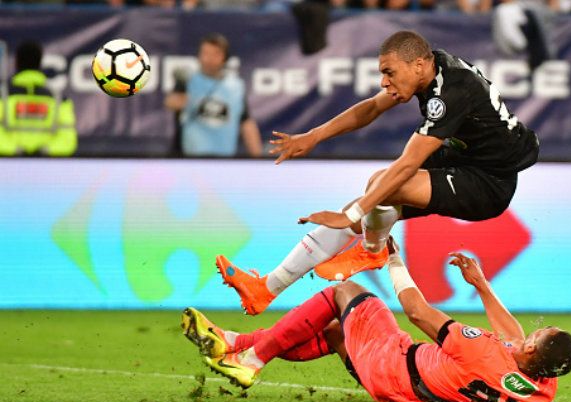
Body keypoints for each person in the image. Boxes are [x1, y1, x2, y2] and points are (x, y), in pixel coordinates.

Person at [217, 30, 540, 316]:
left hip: (488, 183)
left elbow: (408, 164)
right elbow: (371, 107)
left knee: (378, 192)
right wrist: (314, 136)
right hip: (464, 158)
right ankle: (266, 290)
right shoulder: (430, 68)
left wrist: (352, 214)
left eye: (389, 72)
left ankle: (372, 251)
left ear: (417, 65)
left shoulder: (451, 91)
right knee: (370, 203)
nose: (384, 81)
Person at [183, 242, 571, 402]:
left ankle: (252, 358)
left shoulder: (479, 349)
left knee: (345, 293)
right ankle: (232, 341)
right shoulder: (545, 385)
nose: (530, 331)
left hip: (395, 361)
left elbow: (418, 311)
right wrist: (482, 285)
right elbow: (515, 340)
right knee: (337, 331)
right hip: (398, 388)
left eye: (537, 333)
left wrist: (393, 259)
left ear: (530, 350)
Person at [164, 33, 263, 157]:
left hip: (223, 162)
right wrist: (185, 95)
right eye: (205, 53)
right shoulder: (188, 80)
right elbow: (171, 102)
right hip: (190, 161)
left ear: (225, 58)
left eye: (215, 54)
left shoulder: (235, 86)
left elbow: (246, 122)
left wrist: (258, 158)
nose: (208, 59)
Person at [0, 41, 77, 157]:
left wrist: (16, 150)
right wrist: (44, 151)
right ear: (40, 63)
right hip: (46, 168)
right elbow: (67, 141)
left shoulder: (3, 97)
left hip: (6, 166)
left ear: (15, 62)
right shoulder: (59, 100)